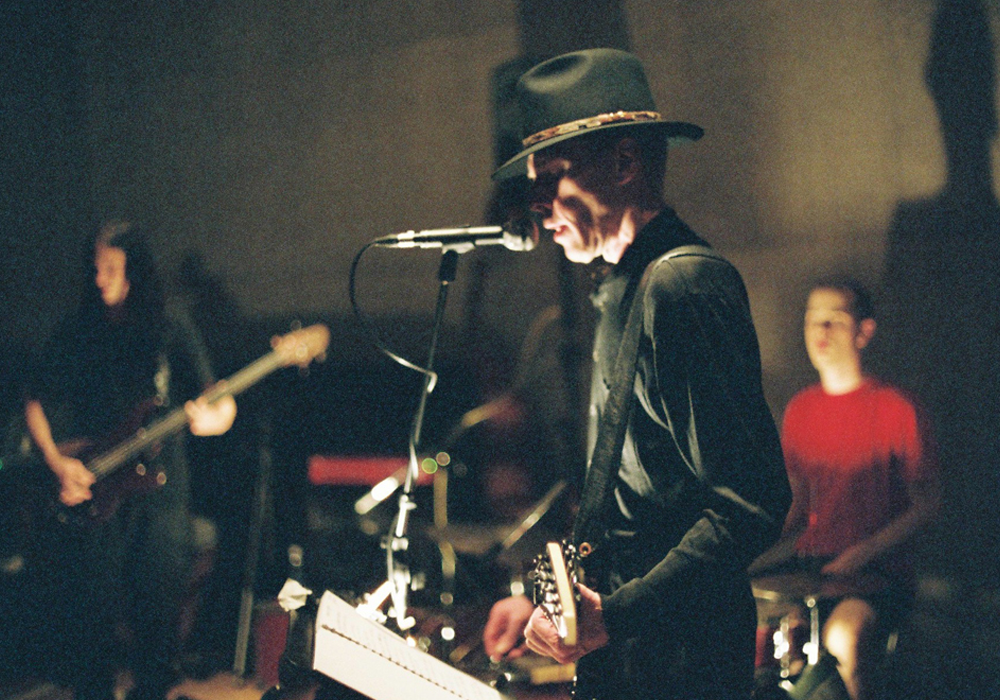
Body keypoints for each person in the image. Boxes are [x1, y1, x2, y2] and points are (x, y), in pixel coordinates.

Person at [481, 48, 792, 700]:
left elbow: (749, 505)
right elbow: (624, 507)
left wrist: (613, 616)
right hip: (636, 652)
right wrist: (547, 601)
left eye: (554, 176)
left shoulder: (683, 285)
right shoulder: (621, 287)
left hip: (683, 661)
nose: (538, 203)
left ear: (624, 163)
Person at [23, 220, 237, 700]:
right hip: (93, 490)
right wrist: (59, 464)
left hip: (163, 496)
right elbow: (33, 399)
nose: (100, 279)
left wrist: (214, 419)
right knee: (90, 627)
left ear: (135, 271)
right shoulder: (77, 329)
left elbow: (220, 402)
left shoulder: (169, 326)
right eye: (96, 268)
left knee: (158, 625)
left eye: (112, 268)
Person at [753, 278, 940, 700]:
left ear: (863, 331)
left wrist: (862, 553)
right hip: (814, 570)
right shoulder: (801, 410)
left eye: (834, 320)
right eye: (812, 320)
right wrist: (751, 552)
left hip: (877, 575)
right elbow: (800, 504)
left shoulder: (897, 408)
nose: (820, 332)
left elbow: (926, 504)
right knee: (759, 635)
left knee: (844, 637)